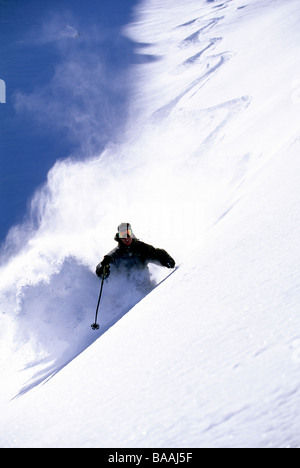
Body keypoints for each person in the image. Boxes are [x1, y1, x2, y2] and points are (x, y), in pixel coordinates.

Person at [96, 223, 175, 280]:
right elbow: (100, 271)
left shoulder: (141, 248)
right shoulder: (115, 254)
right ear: (119, 237)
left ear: (131, 233)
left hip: (145, 290)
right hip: (125, 293)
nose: (126, 237)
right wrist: (103, 267)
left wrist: (167, 260)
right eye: (123, 235)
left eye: (128, 233)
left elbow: (156, 254)